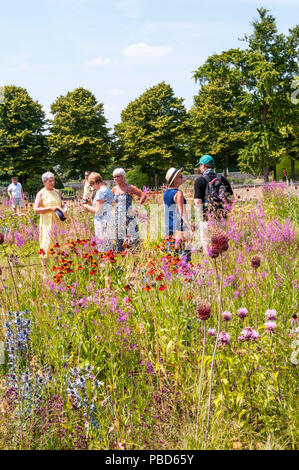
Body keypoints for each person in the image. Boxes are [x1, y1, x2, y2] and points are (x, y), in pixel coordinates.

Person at [194, 155, 233, 249]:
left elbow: (198, 203)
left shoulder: (199, 180)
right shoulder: (222, 179)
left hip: (206, 219)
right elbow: (231, 198)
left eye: (200, 166)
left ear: (203, 165)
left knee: (207, 245)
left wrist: (197, 219)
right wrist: (226, 213)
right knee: (222, 244)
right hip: (221, 218)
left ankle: (209, 263)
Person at [163, 167, 195, 262]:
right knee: (185, 258)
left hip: (169, 228)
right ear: (175, 179)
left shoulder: (166, 193)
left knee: (172, 258)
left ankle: (173, 276)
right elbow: (182, 213)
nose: (182, 177)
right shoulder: (178, 193)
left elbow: (166, 211)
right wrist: (189, 227)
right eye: (180, 176)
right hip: (180, 229)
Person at [34, 172, 66, 263]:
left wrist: (64, 209)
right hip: (47, 223)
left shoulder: (57, 192)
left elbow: (61, 205)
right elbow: (36, 209)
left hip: (58, 222)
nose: (53, 183)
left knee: (58, 244)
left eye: (53, 181)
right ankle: (45, 271)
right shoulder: (41, 193)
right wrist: (50, 209)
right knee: (46, 244)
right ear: (44, 182)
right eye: (50, 181)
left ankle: (58, 268)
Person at [112, 168, 146, 253]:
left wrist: (136, 208)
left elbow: (143, 195)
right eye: (114, 177)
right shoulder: (114, 189)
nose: (116, 178)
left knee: (133, 238)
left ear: (123, 176)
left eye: (118, 176)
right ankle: (119, 258)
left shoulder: (130, 187)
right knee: (119, 238)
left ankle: (135, 257)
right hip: (118, 217)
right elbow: (108, 201)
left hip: (130, 216)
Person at [82, 172, 113, 252]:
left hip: (101, 221)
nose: (93, 187)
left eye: (92, 185)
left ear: (95, 182)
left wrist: (87, 207)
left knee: (102, 244)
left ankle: (104, 262)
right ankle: (110, 261)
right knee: (108, 244)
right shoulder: (108, 190)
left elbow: (98, 211)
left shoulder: (100, 192)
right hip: (108, 219)